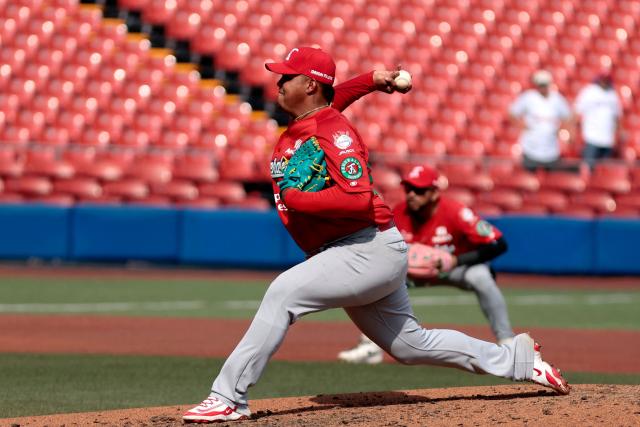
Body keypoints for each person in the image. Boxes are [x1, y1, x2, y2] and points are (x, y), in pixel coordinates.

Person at [183, 47, 569, 424]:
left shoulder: (333, 129)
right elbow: (336, 98)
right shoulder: (318, 117)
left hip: (364, 248)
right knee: (409, 344)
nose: (279, 82)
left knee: (283, 293)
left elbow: (356, 199)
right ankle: (519, 359)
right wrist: (370, 80)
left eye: (288, 76)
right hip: (357, 250)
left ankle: (228, 397)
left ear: (311, 86)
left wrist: (297, 198)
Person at [338, 165, 515, 364]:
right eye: (408, 189)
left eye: (419, 190)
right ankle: (370, 346)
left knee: (480, 277)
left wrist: (458, 260)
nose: (412, 195)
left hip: (454, 269)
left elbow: (498, 244)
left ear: (433, 193)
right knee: (376, 278)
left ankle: (507, 342)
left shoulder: (455, 211)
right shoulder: (399, 213)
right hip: (413, 274)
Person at [509, 70, 573, 172]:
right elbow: (512, 113)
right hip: (530, 148)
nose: (542, 88)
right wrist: (522, 126)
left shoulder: (557, 99)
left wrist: (560, 129)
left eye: (544, 85)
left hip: (550, 150)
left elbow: (569, 117)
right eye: (540, 85)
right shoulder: (528, 97)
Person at [574, 71, 624, 170]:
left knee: (603, 170)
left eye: (607, 80)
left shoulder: (612, 94)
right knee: (588, 167)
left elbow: (617, 116)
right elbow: (577, 111)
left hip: (607, 139)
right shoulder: (590, 92)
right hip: (591, 137)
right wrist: (573, 131)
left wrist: (619, 132)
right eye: (603, 79)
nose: (604, 82)